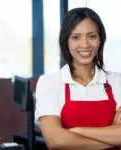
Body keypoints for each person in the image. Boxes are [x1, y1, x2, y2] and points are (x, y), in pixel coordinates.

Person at [35, 7, 121, 150]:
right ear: (66, 41)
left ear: (100, 40)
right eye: (76, 37)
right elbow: (56, 141)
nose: (85, 44)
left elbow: (64, 139)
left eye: (92, 36)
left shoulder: (117, 82)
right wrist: (114, 140)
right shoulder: (49, 83)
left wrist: (79, 131)